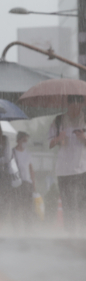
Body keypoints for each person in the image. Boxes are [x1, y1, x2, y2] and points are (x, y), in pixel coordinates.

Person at [48, 95, 86, 233]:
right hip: (64, 171)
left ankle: (82, 233)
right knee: (68, 205)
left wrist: (83, 138)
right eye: (73, 106)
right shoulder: (59, 120)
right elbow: (50, 143)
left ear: (82, 104)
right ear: (69, 105)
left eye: (79, 105)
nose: (76, 109)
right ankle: (71, 234)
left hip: (83, 170)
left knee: (82, 205)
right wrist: (59, 138)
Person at [11, 131, 36, 233]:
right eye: (23, 140)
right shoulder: (12, 152)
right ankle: (16, 230)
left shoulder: (28, 153)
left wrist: (34, 184)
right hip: (17, 184)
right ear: (18, 140)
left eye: (26, 140)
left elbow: (31, 169)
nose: (25, 142)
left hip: (27, 183)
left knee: (28, 209)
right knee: (16, 208)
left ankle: (28, 230)